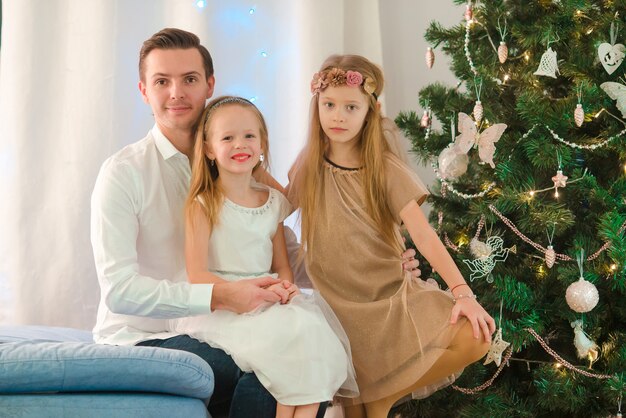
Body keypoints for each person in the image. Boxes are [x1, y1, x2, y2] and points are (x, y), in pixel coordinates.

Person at [90, 27, 421, 417]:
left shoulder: (240, 165)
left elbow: (287, 257)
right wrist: (221, 295)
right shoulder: (124, 173)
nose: (177, 92)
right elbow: (120, 290)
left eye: (190, 79)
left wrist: (375, 266)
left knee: (306, 349)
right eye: (162, 81)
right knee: (269, 366)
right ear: (144, 90)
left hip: (231, 321)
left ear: (209, 84)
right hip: (147, 335)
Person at [288, 55, 497, 418]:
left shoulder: (383, 169)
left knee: (475, 336)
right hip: (338, 309)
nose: (338, 116)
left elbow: (425, 236)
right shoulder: (308, 164)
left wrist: (463, 292)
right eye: (329, 105)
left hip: (389, 296)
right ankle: (377, 399)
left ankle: (386, 396)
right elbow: (270, 208)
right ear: (316, 106)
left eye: (350, 107)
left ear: (370, 111)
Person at [171, 95, 358, 418]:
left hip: (269, 299)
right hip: (225, 305)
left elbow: (282, 267)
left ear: (262, 144)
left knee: (312, 336)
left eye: (248, 136)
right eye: (227, 137)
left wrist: (285, 288)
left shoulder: (272, 202)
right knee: (290, 353)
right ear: (209, 149)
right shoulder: (203, 204)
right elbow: (197, 275)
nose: (239, 144)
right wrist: (250, 292)